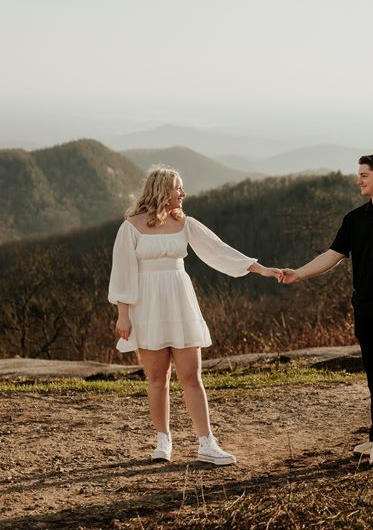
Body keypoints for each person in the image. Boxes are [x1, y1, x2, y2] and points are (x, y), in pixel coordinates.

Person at [109, 166, 283, 465]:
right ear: (162, 190)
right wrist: (122, 315)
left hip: (180, 302)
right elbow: (123, 272)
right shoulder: (130, 227)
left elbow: (220, 251)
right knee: (157, 379)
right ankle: (163, 441)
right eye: (178, 188)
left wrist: (262, 270)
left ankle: (206, 443)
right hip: (146, 306)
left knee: (191, 376)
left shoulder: (185, 223)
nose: (183, 193)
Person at [283, 154, 373, 468]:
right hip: (363, 307)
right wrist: (299, 273)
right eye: (359, 174)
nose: (358, 180)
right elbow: (333, 255)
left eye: (364, 175)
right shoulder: (354, 219)